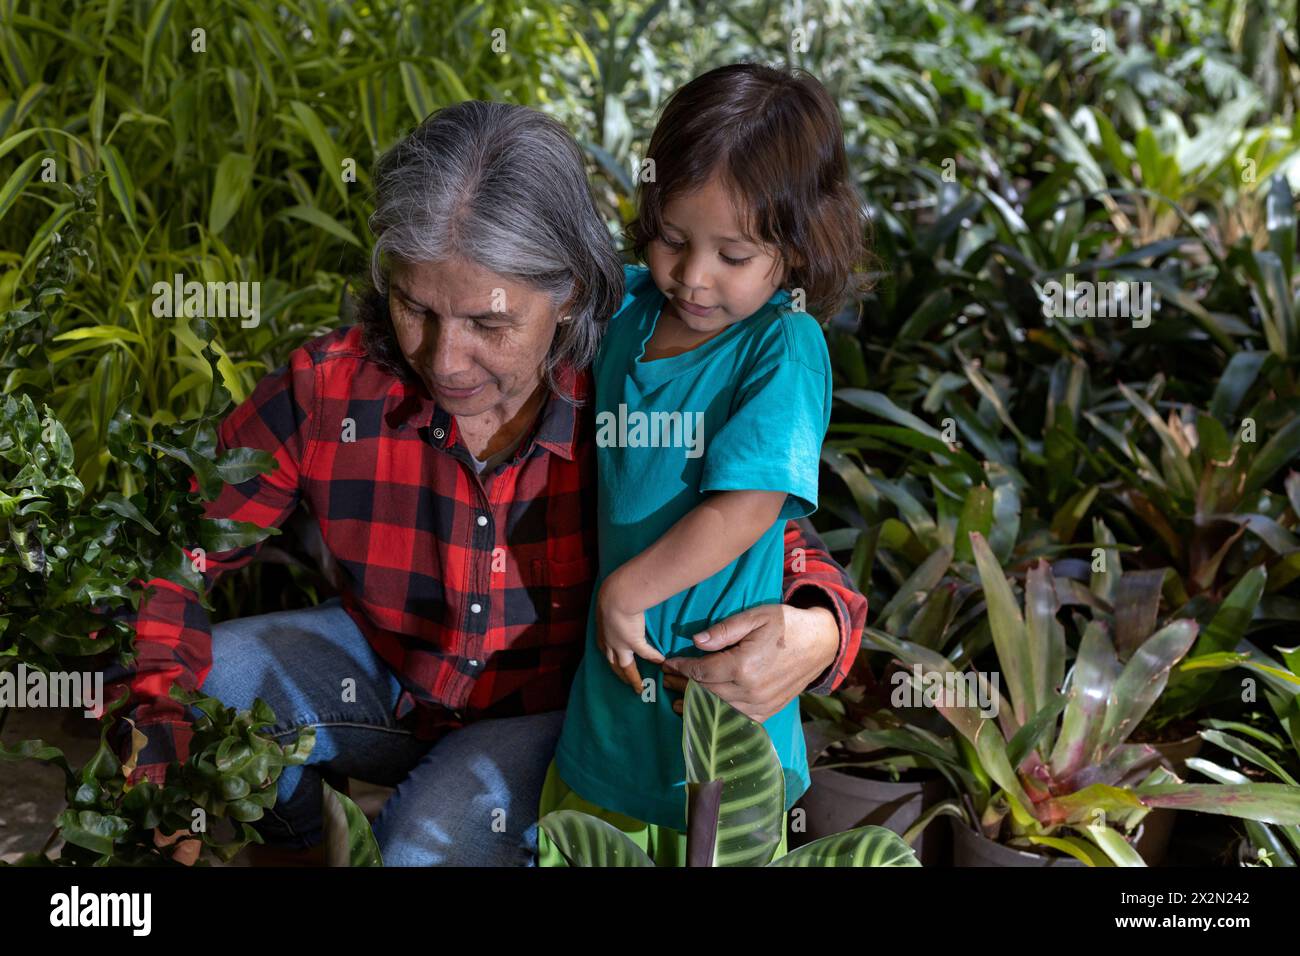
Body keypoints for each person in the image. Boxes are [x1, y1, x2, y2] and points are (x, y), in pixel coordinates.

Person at [100, 97, 868, 866]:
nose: (443, 359)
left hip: (547, 719)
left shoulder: (627, 369)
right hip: (387, 673)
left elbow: (751, 525)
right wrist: (158, 740)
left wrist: (819, 628)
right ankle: (300, 842)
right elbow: (178, 549)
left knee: (417, 851)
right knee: (212, 685)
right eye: (415, 307)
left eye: (490, 325)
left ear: (569, 293)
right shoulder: (332, 389)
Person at [536, 63, 871, 866]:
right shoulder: (627, 310)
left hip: (721, 704)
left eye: (733, 254)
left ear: (794, 250)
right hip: (611, 703)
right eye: (674, 240)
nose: (692, 277)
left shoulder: (782, 345)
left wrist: (627, 590)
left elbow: (748, 507)